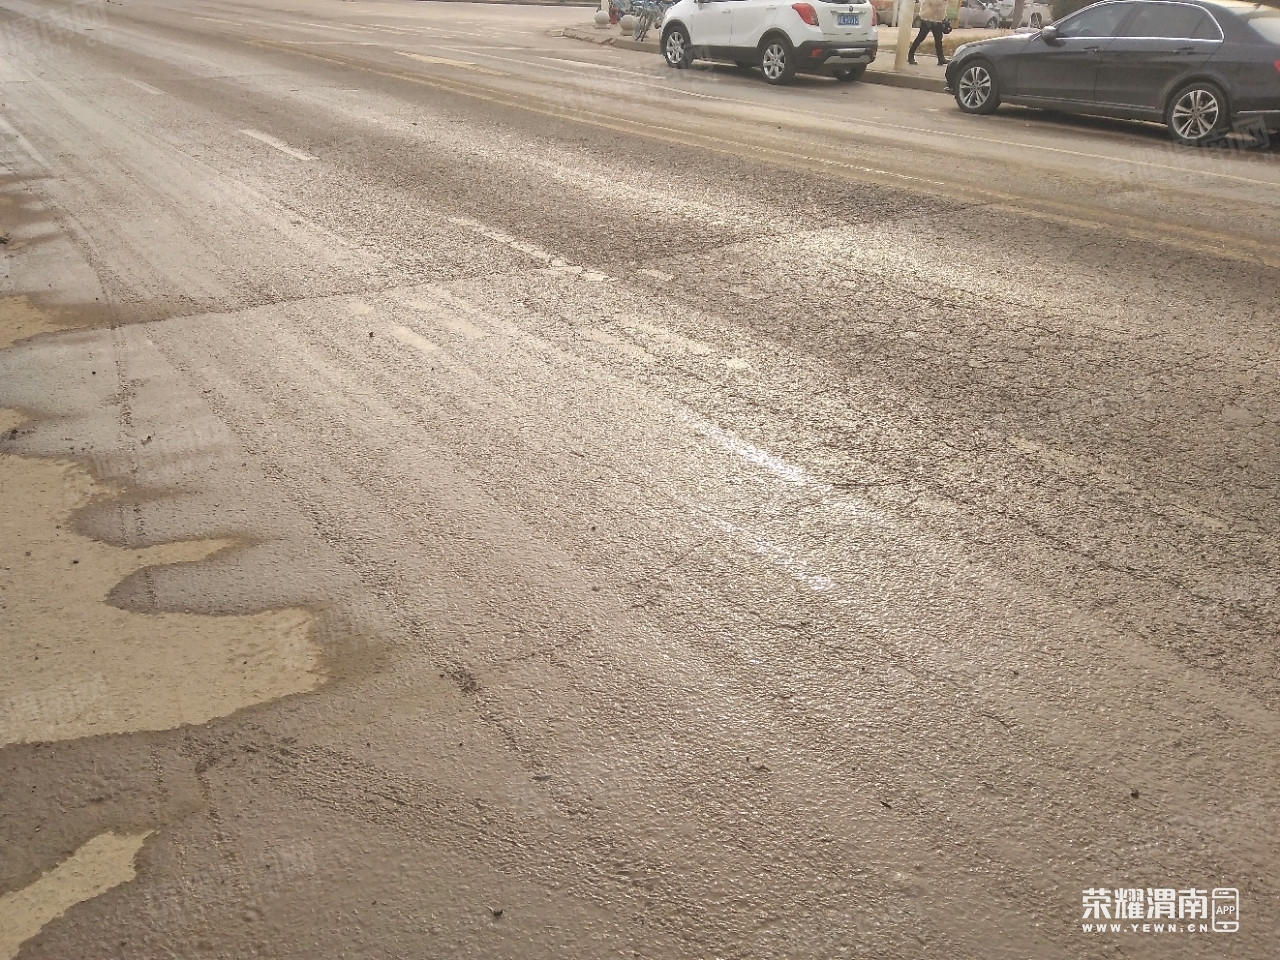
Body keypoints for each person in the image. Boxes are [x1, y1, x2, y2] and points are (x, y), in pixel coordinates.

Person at [908, 0, 950, 65]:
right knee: (921, 37)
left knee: (938, 39)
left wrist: (944, 17)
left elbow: (942, 6)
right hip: (927, 17)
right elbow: (934, 2)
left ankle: (941, 58)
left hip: (937, 18)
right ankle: (910, 56)